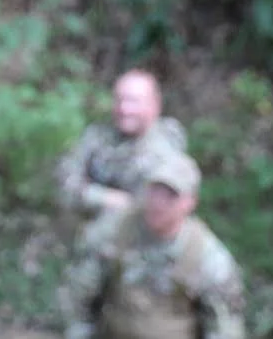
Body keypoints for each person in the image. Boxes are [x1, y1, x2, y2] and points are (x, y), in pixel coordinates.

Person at [57, 149, 246, 339]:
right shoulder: (114, 231)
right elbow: (79, 296)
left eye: (170, 196)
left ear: (190, 203)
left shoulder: (207, 257)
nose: (158, 203)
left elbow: (225, 329)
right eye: (155, 191)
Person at [57, 69, 189, 229]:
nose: (124, 109)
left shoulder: (167, 145)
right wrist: (105, 197)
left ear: (155, 105)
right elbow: (63, 184)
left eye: (133, 102)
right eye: (119, 100)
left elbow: (154, 207)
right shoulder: (96, 136)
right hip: (87, 234)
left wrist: (87, 191)